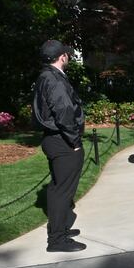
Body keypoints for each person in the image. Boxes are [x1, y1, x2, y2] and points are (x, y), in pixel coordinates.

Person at [32, 40, 86, 252]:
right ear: (62, 57)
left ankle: (60, 227)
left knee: (57, 188)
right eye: (67, 54)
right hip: (62, 141)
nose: (69, 57)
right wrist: (73, 140)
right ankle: (57, 240)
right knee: (62, 191)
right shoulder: (54, 80)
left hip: (55, 139)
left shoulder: (46, 76)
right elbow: (64, 111)